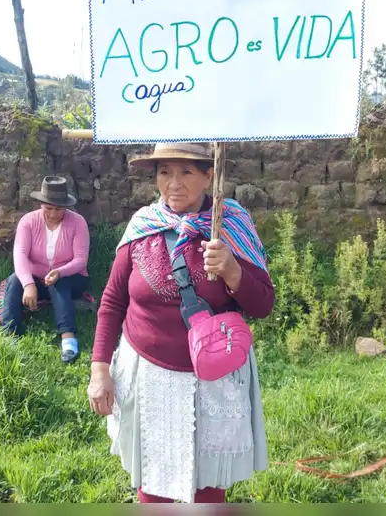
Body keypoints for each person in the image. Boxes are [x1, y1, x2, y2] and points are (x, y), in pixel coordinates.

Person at [87, 142, 274, 504]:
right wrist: (99, 369)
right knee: (152, 485)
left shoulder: (231, 227)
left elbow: (263, 304)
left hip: (212, 381)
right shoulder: (144, 226)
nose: (174, 183)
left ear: (210, 175)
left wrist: (233, 271)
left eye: (186, 171)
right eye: (164, 172)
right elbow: (112, 301)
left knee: (207, 489)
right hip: (149, 376)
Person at [1, 176, 90, 364]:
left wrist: (60, 272)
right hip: (38, 278)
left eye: (58, 209)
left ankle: (68, 341)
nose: (52, 214)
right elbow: (20, 255)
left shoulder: (78, 222)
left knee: (60, 282)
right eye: (48, 208)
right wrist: (28, 284)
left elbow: (81, 260)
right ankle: (10, 334)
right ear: (41, 204)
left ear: (66, 206)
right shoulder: (28, 221)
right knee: (13, 280)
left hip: (71, 278)